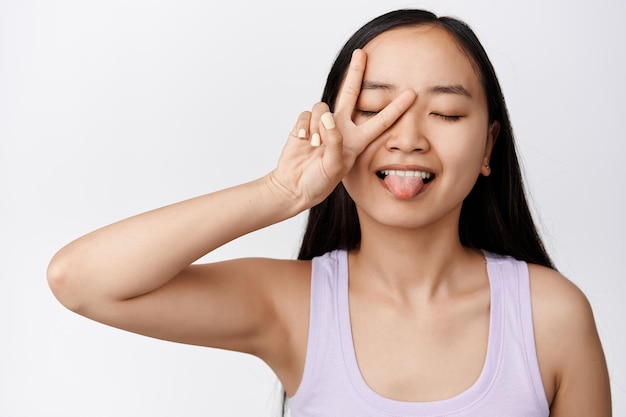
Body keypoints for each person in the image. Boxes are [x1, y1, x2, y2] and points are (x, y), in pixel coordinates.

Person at [47, 8, 611, 417]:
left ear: (488, 147)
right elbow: (80, 280)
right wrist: (280, 192)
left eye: (444, 112)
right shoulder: (297, 305)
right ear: (334, 132)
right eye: (374, 109)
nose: (407, 138)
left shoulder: (551, 318)